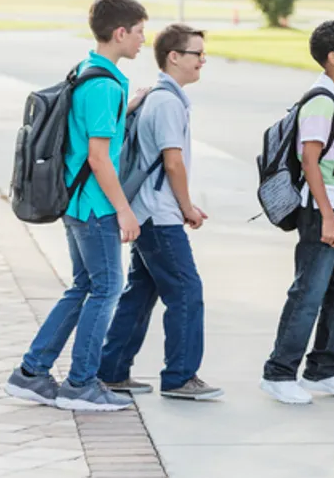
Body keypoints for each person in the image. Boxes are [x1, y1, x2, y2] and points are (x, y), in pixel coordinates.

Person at [5, 0, 147, 411]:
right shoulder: (103, 86)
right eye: (139, 32)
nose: (143, 40)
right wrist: (125, 209)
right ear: (120, 32)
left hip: (73, 202)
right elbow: (99, 157)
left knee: (85, 286)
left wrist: (129, 104)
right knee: (107, 288)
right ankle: (80, 384)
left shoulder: (87, 71)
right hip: (96, 207)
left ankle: (31, 373)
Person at [97, 24, 222, 401]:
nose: (203, 60)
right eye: (197, 53)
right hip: (160, 216)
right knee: (186, 292)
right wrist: (187, 208)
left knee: (140, 293)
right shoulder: (167, 102)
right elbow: (173, 164)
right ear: (174, 57)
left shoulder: (157, 96)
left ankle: (113, 370)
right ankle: (180, 377)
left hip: (149, 212)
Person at [261, 20, 334, 405]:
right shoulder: (322, 101)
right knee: (309, 292)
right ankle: (278, 373)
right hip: (319, 211)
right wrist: (326, 215)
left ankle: (323, 371)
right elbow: (310, 161)